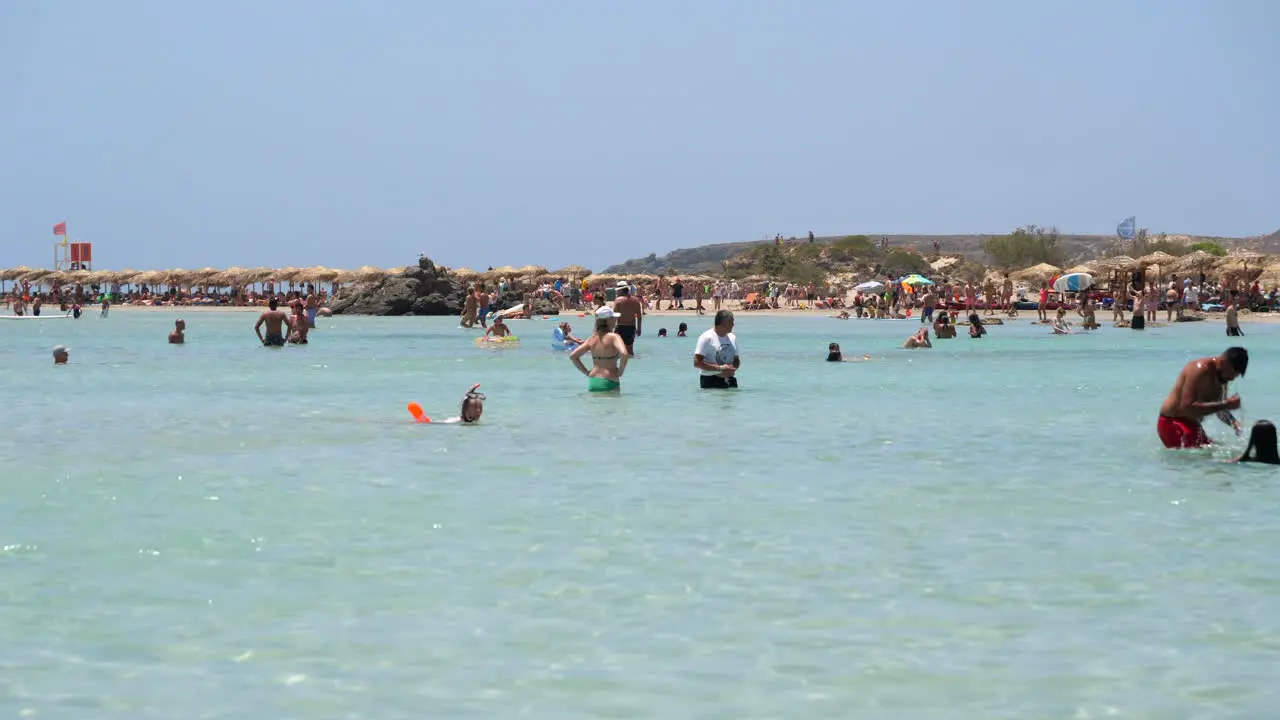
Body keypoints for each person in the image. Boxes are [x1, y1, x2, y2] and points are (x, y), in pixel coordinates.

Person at [1158, 347, 1248, 449]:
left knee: (1216, 450)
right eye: (1232, 374)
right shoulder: (1199, 370)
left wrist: (1234, 423)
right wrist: (1225, 404)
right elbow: (1187, 407)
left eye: (1235, 376)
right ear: (1224, 362)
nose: (1231, 379)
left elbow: (1219, 409)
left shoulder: (1222, 377)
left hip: (1192, 425)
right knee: (1207, 457)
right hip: (1173, 423)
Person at [569, 306, 630, 392]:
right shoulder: (614, 337)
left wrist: (586, 372)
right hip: (609, 380)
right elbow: (624, 354)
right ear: (608, 320)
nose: (616, 320)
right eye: (613, 318)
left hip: (593, 380)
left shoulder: (592, 338)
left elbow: (573, 356)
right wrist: (620, 372)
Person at [694, 310, 739, 389]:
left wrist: (731, 370)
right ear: (722, 323)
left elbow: (736, 359)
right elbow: (697, 363)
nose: (733, 324)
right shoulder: (706, 337)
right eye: (731, 322)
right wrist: (720, 369)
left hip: (730, 379)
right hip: (710, 381)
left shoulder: (732, 337)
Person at [612, 281, 643, 355]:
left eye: (618, 291)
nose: (617, 293)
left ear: (621, 290)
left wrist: (611, 329)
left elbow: (614, 316)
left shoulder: (618, 300)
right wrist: (639, 329)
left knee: (617, 351)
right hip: (631, 328)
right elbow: (639, 316)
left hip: (620, 327)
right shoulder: (636, 300)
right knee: (630, 351)